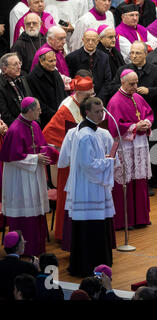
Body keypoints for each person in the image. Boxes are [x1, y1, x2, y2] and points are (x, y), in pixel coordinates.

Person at [61, 96, 116, 277]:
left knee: (97, 226)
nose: (101, 115)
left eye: (102, 111)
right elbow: (88, 165)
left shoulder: (96, 132)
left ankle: (100, 263)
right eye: (97, 112)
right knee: (89, 228)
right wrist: (108, 163)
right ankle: (86, 265)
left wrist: (106, 160)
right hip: (87, 188)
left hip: (93, 186)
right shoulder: (84, 135)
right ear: (87, 113)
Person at [0, 98, 59, 257]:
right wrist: (35, 159)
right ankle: (24, 249)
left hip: (34, 175)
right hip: (20, 179)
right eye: (38, 109)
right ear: (30, 110)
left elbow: (40, 146)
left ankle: (37, 247)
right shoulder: (14, 129)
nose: (40, 112)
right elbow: (12, 158)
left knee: (37, 212)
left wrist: (49, 153)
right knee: (25, 214)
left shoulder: (34, 125)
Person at [43, 74, 94, 248]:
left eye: (92, 95)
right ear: (78, 94)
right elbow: (49, 134)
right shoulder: (66, 109)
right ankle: (66, 233)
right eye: (87, 96)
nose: (91, 99)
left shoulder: (88, 105)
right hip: (70, 164)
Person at [107, 69, 153, 229]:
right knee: (125, 181)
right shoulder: (115, 101)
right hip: (125, 146)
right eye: (131, 84)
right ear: (122, 82)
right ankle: (125, 220)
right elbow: (114, 127)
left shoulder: (138, 97)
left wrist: (146, 122)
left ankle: (141, 217)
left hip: (139, 144)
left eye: (136, 83)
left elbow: (149, 113)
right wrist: (134, 126)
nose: (135, 87)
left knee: (139, 180)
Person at [109, 41, 157, 132]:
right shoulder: (123, 70)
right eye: (132, 53)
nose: (133, 56)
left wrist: (149, 91)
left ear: (146, 54)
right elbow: (112, 88)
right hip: (129, 115)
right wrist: (126, 88)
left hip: (151, 115)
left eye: (137, 53)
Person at [65, 29, 112, 102]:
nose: (90, 43)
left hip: (100, 99)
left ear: (98, 41)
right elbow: (70, 80)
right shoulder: (72, 57)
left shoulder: (104, 57)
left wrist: (99, 98)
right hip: (80, 99)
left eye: (93, 40)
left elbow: (107, 81)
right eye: (87, 40)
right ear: (83, 40)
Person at [27, 47, 67, 128]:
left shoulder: (55, 72)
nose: (54, 63)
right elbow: (37, 101)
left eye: (55, 60)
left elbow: (62, 92)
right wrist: (54, 114)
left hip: (60, 115)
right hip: (46, 119)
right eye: (50, 61)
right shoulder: (32, 77)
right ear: (41, 61)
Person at [0, 231, 39, 300]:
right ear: (18, 246)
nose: (25, 242)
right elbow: (36, 287)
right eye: (23, 241)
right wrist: (35, 268)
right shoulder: (28, 267)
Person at [0, 53, 33, 126]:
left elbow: (31, 101)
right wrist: (21, 126)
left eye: (19, 63)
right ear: (4, 69)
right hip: (15, 128)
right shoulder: (2, 86)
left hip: (30, 122)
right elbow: (5, 115)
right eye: (15, 64)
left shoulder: (22, 79)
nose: (19, 67)